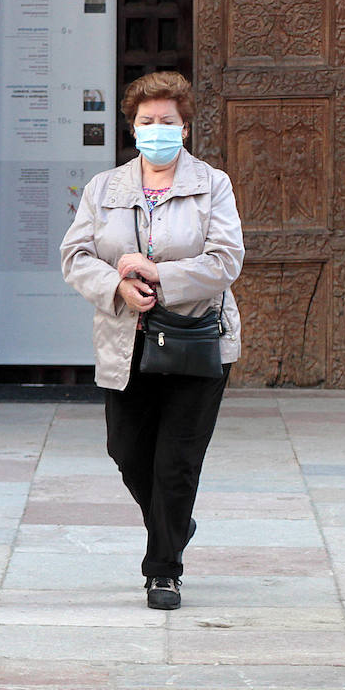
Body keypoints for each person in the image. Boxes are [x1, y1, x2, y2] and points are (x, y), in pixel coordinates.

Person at [60, 71, 244, 611]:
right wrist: (117, 284)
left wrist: (159, 276)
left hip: (195, 339)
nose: (156, 130)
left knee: (176, 462)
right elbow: (75, 257)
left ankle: (164, 569)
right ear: (132, 127)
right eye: (146, 121)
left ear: (184, 129)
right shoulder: (104, 189)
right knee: (126, 449)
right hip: (127, 341)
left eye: (167, 121)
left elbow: (225, 260)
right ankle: (176, 523)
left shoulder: (213, 185)